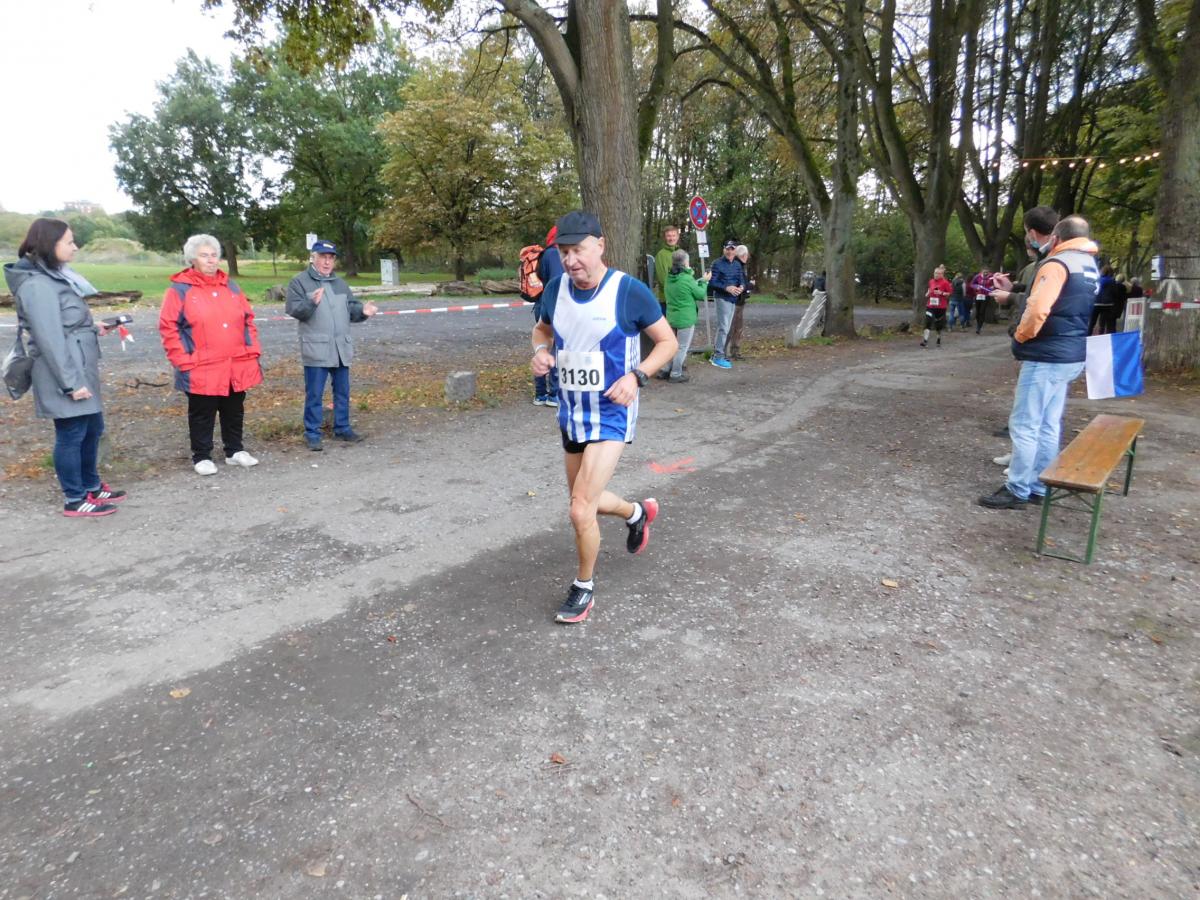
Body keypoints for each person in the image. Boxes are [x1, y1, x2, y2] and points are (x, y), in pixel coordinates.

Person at [530, 210, 678, 624]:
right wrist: (540, 352)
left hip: (612, 412)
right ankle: (636, 513)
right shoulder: (556, 289)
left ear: (600, 245)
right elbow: (542, 330)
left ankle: (584, 587)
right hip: (571, 412)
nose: (571, 260)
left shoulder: (627, 291)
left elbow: (667, 342)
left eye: (578, 250)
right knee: (585, 503)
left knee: (580, 509)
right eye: (564, 252)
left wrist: (637, 376)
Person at [3, 218, 127, 516]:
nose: (75, 247)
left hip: (78, 363)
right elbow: (49, 338)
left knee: (92, 428)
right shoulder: (36, 284)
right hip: (62, 371)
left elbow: (64, 322)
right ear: (50, 243)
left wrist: (93, 327)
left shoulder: (53, 276)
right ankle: (75, 498)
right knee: (72, 432)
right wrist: (70, 383)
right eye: (69, 241)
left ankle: (91, 486)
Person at [979, 215, 1098, 510]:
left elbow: (1038, 308)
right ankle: (1039, 485)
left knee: (1025, 423)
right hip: (1071, 353)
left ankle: (1017, 488)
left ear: (1057, 238)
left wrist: (1021, 336)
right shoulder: (1087, 265)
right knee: (1048, 424)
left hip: (1046, 354)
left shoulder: (1057, 264)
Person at [159, 234, 263, 476]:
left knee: (234, 408)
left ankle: (234, 450)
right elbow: (168, 326)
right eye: (204, 255)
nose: (210, 260)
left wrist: (251, 348)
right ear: (192, 258)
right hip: (200, 364)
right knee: (202, 412)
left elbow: (248, 319)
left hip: (235, 361)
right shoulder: (180, 289)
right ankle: (202, 456)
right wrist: (182, 359)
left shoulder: (231, 286)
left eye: (214, 255)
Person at [285, 240, 378, 450]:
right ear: (313, 258)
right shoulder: (299, 282)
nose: (327, 262)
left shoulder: (340, 283)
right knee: (315, 394)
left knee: (342, 392)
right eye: (323, 257)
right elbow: (294, 310)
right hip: (316, 349)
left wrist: (363, 312)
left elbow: (351, 310)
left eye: (331, 258)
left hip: (340, 348)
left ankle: (342, 428)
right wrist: (311, 302)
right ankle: (312, 433)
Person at [658, 248, 705, 382]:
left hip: (672, 317)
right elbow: (700, 294)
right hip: (685, 318)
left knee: (672, 345)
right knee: (682, 347)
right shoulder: (687, 279)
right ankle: (676, 374)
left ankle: (665, 369)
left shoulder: (669, 278)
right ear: (685, 263)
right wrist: (704, 282)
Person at [532, 225, 563, 407]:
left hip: (541, 305)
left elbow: (541, 278)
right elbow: (559, 282)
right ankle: (554, 394)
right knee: (556, 349)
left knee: (542, 347)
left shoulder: (544, 255)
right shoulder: (557, 254)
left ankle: (540, 394)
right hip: (556, 307)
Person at [707, 239, 746, 369]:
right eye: (727, 249)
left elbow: (741, 280)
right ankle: (718, 356)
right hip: (722, 298)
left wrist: (741, 287)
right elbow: (712, 283)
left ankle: (716, 354)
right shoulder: (717, 264)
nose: (730, 252)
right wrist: (726, 288)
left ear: (735, 251)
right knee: (723, 327)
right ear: (724, 250)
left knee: (726, 328)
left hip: (733, 299)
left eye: (732, 249)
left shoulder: (737, 265)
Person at [728, 244, 753, 359]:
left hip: (739, 300)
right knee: (733, 327)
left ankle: (734, 351)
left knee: (736, 327)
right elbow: (740, 283)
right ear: (744, 255)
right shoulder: (738, 266)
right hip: (736, 301)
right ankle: (729, 351)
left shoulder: (738, 265)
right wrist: (750, 285)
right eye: (747, 255)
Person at [920, 265, 952, 347]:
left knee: (938, 325)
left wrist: (941, 293)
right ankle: (925, 341)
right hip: (930, 305)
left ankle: (938, 338)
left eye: (938, 273)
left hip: (940, 307)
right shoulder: (931, 281)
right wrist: (927, 293)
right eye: (935, 273)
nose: (936, 275)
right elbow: (929, 289)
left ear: (942, 274)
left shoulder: (945, 283)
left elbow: (949, 293)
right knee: (928, 321)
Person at [654, 225, 681, 318]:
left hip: (682, 298)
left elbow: (687, 272)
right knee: (668, 325)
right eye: (668, 236)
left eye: (673, 235)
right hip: (667, 299)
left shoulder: (681, 253)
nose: (671, 238)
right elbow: (662, 279)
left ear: (677, 237)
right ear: (665, 238)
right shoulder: (660, 255)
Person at [968, 269, 993, 333]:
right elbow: (972, 284)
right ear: (981, 272)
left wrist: (992, 288)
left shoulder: (991, 277)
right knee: (978, 311)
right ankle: (978, 323)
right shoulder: (977, 276)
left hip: (986, 296)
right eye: (984, 272)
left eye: (987, 272)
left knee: (982, 311)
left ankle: (979, 327)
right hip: (978, 295)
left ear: (989, 272)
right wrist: (976, 287)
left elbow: (995, 284)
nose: (985, 274)